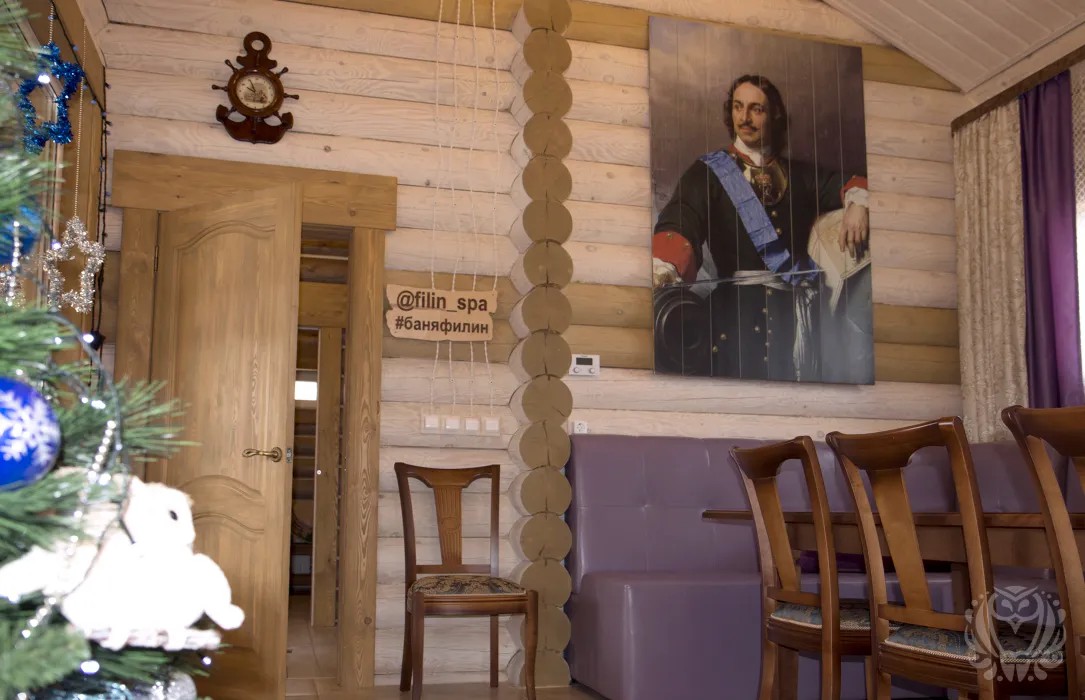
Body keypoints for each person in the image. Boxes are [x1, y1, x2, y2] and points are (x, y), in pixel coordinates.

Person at [652, 73, 871, 382]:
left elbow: (852, 182)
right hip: (734, 321)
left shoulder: (799, 175)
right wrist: (666, 264)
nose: (744, 118)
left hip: (793, 318)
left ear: (774, 116)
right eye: (738, 107)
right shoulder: (707, 173)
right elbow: (681, 219)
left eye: (756, 109)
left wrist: (858, 203)